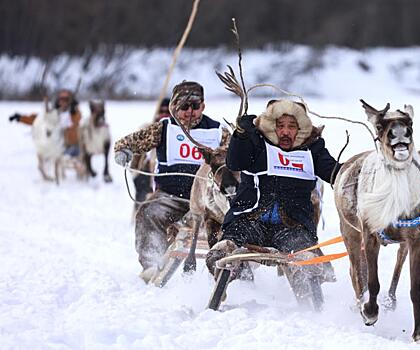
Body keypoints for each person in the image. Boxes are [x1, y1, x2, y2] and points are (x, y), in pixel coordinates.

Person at [206, 99, 342, 297]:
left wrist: (358, 171)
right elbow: (235, 162)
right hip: (250, 219)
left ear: (301, 129)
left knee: (305, 257)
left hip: (292, 226)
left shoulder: (313, 150)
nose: (285, 132)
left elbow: (335, 174)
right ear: (272, 127)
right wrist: (241, 135)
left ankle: (311, 306)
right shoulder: (257, 143)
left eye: (291, 127)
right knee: (228, 247)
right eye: (280, 126)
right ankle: (222, 283)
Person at [114, 81, 228, 282]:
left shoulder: (218, 131)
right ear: (174, 107)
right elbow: (130, 141)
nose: (189, 112)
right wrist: (123, 150)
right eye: (184, 107)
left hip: (209, 201)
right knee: (148, 213)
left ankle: (235, 271)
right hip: (172, 197)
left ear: (203, 106)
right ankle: (152, 263)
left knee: (235, 222)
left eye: (195, 106)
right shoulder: (163, 128)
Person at [9, 89, 82, 156]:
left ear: (70, 100)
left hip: (71, 148)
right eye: (61, 99)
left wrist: (73, 110)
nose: (63, 101)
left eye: (66, 99)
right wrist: (21, 118)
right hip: (55, 148)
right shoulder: (54, 113)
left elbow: (74, 122)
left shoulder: (74, 114)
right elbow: (38, 120)